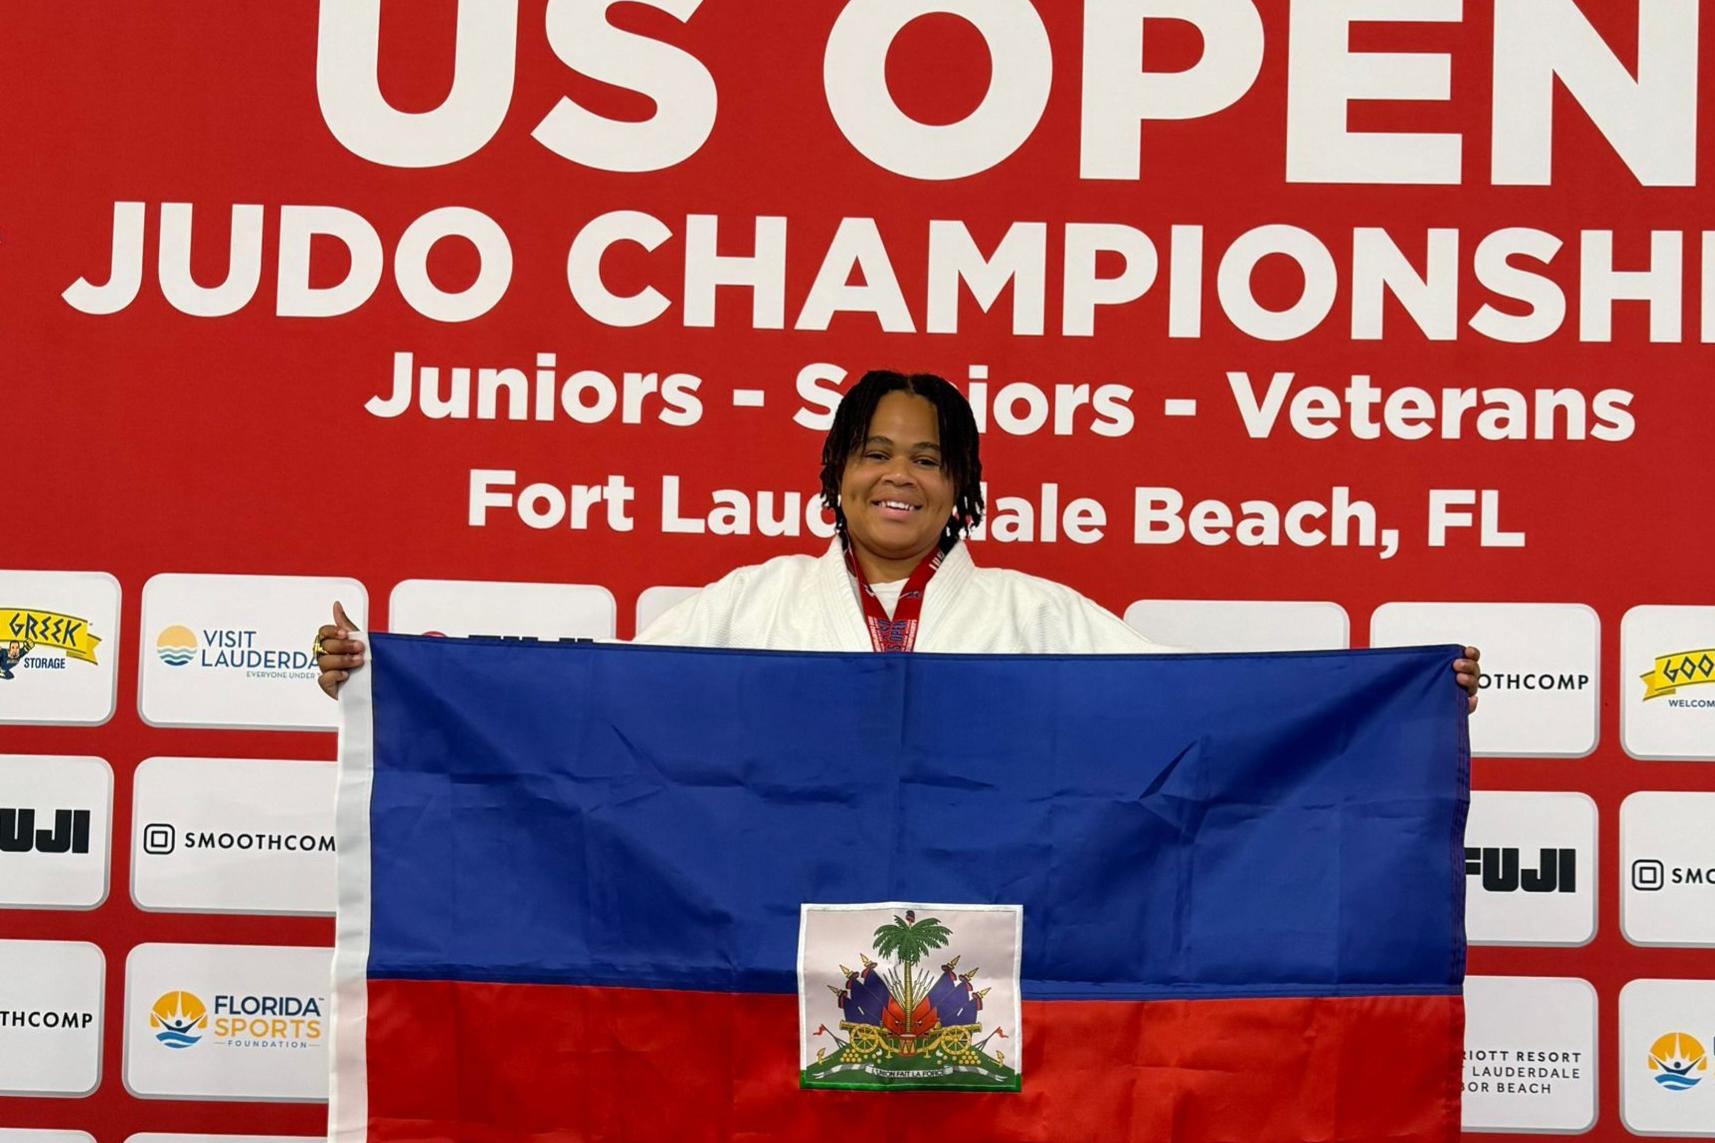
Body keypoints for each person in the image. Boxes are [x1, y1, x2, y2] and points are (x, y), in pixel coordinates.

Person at [316, 371, 1481, 702]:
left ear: (962, 488)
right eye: (875, 451)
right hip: (778, 915)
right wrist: (395, 677)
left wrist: (1400, 696)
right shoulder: (752, 598)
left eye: (928, 459)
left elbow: (1196, 708)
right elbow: (600, 694)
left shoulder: (1033, 612)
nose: (898, 476)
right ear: (834, 472)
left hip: (981, 925)